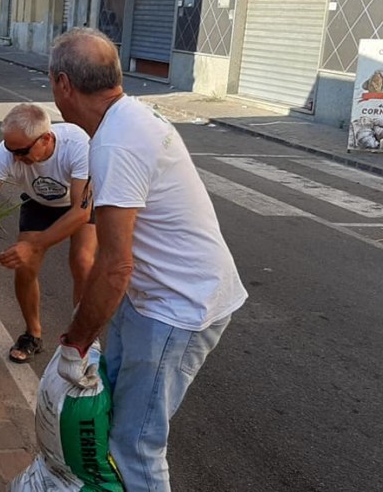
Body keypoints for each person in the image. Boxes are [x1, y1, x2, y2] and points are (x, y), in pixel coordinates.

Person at [49, 28, 247, 490]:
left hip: (177, 307)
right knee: (119, 425)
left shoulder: (116, 142)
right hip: (154, 297)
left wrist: (76, 342)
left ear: (64, 85)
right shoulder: (129, 117)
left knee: (135, 446)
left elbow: (115, 266)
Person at [0, 103, 96, 363]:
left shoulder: (78, 145)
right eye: (10, 150)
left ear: (46, 139)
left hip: (78, 205)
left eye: (22, 152)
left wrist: (34, 245)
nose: (14, 158)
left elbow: (81, 213)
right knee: (24, 265)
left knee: (82, 261)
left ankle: (82, 338)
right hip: (40, 202)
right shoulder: (8, 152)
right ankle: (32, 334)